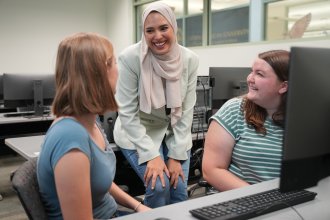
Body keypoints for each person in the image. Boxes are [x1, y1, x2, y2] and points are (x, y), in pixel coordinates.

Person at [37, 32, 150, 220]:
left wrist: (138, 206)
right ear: (97, 73)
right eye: (114, 63)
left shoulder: (91, 121)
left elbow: (99, 180)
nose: (118, 70)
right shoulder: (69, 136)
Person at [113, 2, 199, 208]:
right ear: (143, 32)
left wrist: (176, 157)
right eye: (149, 30)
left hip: (174, 132)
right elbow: (126, 111)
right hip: (137, 132)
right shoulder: (130, 58)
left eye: (163, 28)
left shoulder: (189, 59)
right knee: (159, 188)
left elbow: (186, 111)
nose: (157, 36)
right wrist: (151, 155)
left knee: (178, 190)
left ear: (173, 27)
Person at [202, 50, 290, 192]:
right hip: (238, 199)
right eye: (252, 71)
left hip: (290, 203)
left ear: (283, 86)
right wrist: (259, 197)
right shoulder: (235, 110)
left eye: (259, 74)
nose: (250, 78)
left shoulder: (305, 121)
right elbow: (212, 170)